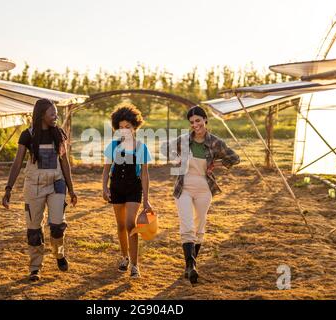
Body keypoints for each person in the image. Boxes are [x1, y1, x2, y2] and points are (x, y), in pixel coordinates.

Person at [2, 99, 77, 282]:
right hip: (34, 186)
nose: (55, 117)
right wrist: (8, 188)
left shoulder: (59, 134)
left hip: (57, 184)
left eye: (56, 114)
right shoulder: (27, 135)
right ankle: (35, 268)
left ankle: (59, 254)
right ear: (42, 114)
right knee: (34, 230)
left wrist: (72, 189)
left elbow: (64, 163)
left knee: (58, 226)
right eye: (52, 114)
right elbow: (18, 162)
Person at [163, 106, 240, 284]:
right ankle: (191, 265)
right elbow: (165, 148)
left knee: (199, 226)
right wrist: (177, 158)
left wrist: (217, 164)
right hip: (184, 187)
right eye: (192, 122)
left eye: (198, 120)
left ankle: (190, 266)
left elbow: (235, 158)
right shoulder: (183, 140)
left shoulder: (215, 142)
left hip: (204, 188)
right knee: (187, 224)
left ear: (205, 120)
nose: (195, 125)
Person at [102, 102, 153, 279]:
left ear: (135, 127)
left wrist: (146, 199)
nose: (124, 130)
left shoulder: (141, 147)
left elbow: (145, 175)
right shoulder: (113, 146)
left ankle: (134, 264)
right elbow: (106, 169)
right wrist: (104, 188)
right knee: (121, 225)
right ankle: (124, 257)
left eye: (128, 127)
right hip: (116, 187)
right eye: (121, 127)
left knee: (131, 224)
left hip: (134, 188)